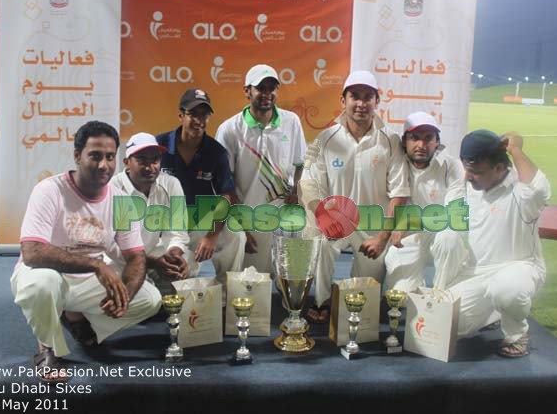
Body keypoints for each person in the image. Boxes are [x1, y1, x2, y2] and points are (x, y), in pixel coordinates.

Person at [11, 121, 161, 382]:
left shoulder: (122, 201)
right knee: (44, 284)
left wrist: (124, 295)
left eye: (109, 157)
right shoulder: (49, 190)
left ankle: (76, 317)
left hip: (87, 282)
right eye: (95, 156)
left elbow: (135, 256)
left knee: (149, 298)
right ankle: (48, 348)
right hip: (44, 273)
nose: (104, 165)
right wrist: (96, 266)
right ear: (77, 156)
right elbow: (32, 252)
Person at [299, 70, 410, 322]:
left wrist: (382, 238)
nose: (361, 103)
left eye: (367, 97)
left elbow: (399, 194)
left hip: (373, 225)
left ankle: (356, 296)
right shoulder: (326, 138)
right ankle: (322, 299)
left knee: (364, 303)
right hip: (336, 218)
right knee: (320, 243)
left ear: (377, 101)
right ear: (343, 101)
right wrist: (323, 218)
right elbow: (310, 185)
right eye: (354, 97)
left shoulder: (390, 140)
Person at [439, 129, 551, 358]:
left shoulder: (521, 193)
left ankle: (517, 333)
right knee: (442, 326)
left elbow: (539, 188)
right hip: (476, 273)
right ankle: (493, 313)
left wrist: (516, 149)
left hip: (519, 268)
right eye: (466, 170)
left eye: (476, 172)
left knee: (505, 290)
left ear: (500, 168)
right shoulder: (467, 189)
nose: (468, 177)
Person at [216, 64, 306, 275]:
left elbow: (300, 163)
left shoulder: (291, 122)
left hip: (282, 216)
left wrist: (295, 191)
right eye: (260, 88)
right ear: (247, 91)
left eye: (271, 88)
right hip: (248, 219)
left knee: (288, 280)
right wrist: (242, 226)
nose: (267, 94)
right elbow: (224, 184)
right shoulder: (230, 129)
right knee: (250, 286)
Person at [156, 88, 245, 286]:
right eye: (193, 114)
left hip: (200, 221)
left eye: (204, 115)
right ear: (181, 115)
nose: (199, 120)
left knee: (235, 234)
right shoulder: (159, 146)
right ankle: (188, 269)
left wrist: (212, 236)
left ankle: (228, 291)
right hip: (166, 225)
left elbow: (225, 197)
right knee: (171, 283)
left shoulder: (215, 151)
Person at [384, 111, 467, 292]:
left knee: (449, 239)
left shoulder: (451, 166)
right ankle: (415, 288)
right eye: (414, 138)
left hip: (440, 234)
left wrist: (410, 220)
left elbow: (454, 215)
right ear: (404, 142)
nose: (421, 145)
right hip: (408, 237)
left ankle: (442, 295)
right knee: (400, 296)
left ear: (437, 141)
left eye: (428, 138)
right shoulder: (394, 166)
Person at [108, 132, 190, 295]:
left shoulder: (171, 184)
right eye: (142, 160)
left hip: (153, 254)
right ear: (127, 163)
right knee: (145, 297)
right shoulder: (112, 188)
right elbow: (111, 247)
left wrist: (173, 256)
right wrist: (150, 263)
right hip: (122, 261)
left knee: (188, 263)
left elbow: (177, 233)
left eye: (155, 160)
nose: (150, 167)